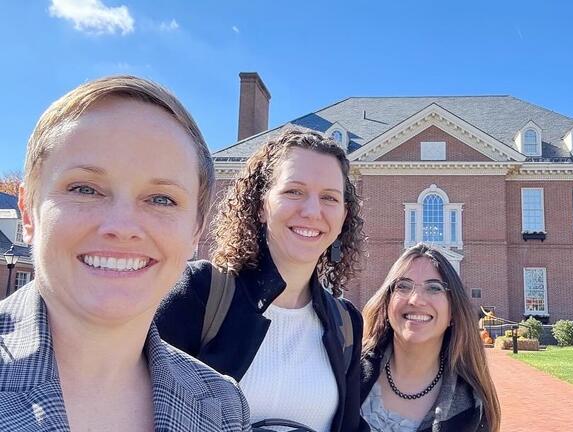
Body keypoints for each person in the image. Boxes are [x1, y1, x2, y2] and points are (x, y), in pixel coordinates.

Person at [0, 76, 250, 431]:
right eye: (85, 189)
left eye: (161, 199)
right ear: (28, 211)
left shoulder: (224, 408)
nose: (122, 225)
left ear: (196, 229)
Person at [156, 128, 366, 432]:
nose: (312, 210)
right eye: (294, 191)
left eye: (329, 198)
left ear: (343, 217)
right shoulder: (200, 291)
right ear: (260, 206)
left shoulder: (346, 323)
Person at [360, 244, 501, 432]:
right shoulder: (348, 370)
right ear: (386, 302)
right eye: (403, 286)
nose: (416, 300)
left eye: (434, 288)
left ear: (453, 311)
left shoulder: (471, 409)